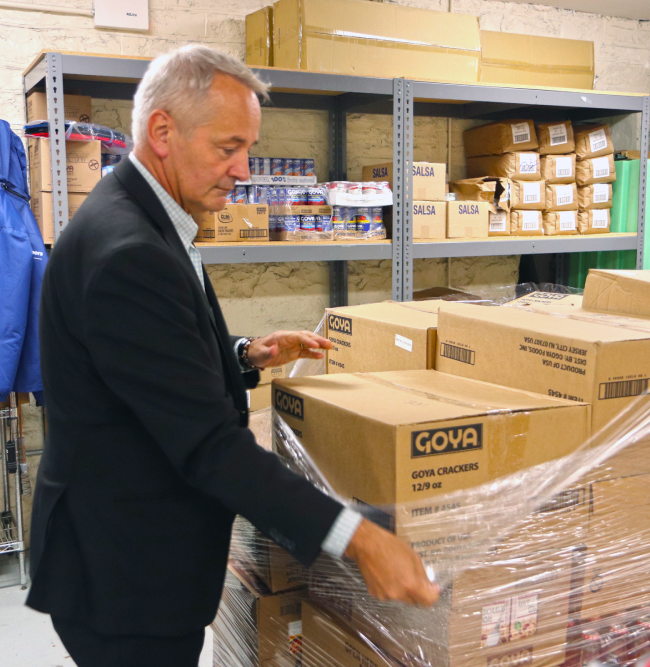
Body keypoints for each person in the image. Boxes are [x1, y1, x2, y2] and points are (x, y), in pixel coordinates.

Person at [26, 45, 438, 667]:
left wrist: (243, 354)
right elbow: (208, 447)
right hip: (125, 580)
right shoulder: (129, 251)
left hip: (119, 554)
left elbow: (147, 365)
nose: (243, 168)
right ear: (162, 131)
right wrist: (357, 538)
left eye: (248, 147)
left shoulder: (139, 216)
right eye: (228, 147)